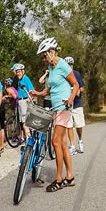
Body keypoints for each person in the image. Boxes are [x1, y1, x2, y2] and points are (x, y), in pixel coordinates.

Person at [29, 37, 79, 192]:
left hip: (64, 106)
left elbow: (75, 84)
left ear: (51, 52)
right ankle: (69, 177)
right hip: (55, 106)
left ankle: (58, 179)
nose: (43, 59)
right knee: (62, 143)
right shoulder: (51, 67)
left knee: (55, 141)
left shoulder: (62, 65)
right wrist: (38, 92)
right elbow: (50, 89)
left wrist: (71, 99)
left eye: (44, 55)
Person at [65, 57, 86, 154]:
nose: (69, 66)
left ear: (73, 65)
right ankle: (72, 145)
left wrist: (77, 90)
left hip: (77, 103)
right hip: (67, 104)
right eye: (67, 65)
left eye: (70, 65)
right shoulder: (63, 75)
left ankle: (80, 140)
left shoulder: (77, 74)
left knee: (78, 125)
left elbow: (82, 88)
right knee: (69, 126)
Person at [11, 63, 33, 145]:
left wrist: (30, 100)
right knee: (24, 121)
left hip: (25, 100)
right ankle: (29, 137)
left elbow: (31, 90)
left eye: (19, 71)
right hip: (20, 101)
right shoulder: (19, 80)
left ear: (23, 71)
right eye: (16, 72)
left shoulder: (26, 79)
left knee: (24, 121)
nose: (18, 73)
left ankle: (28, 138)